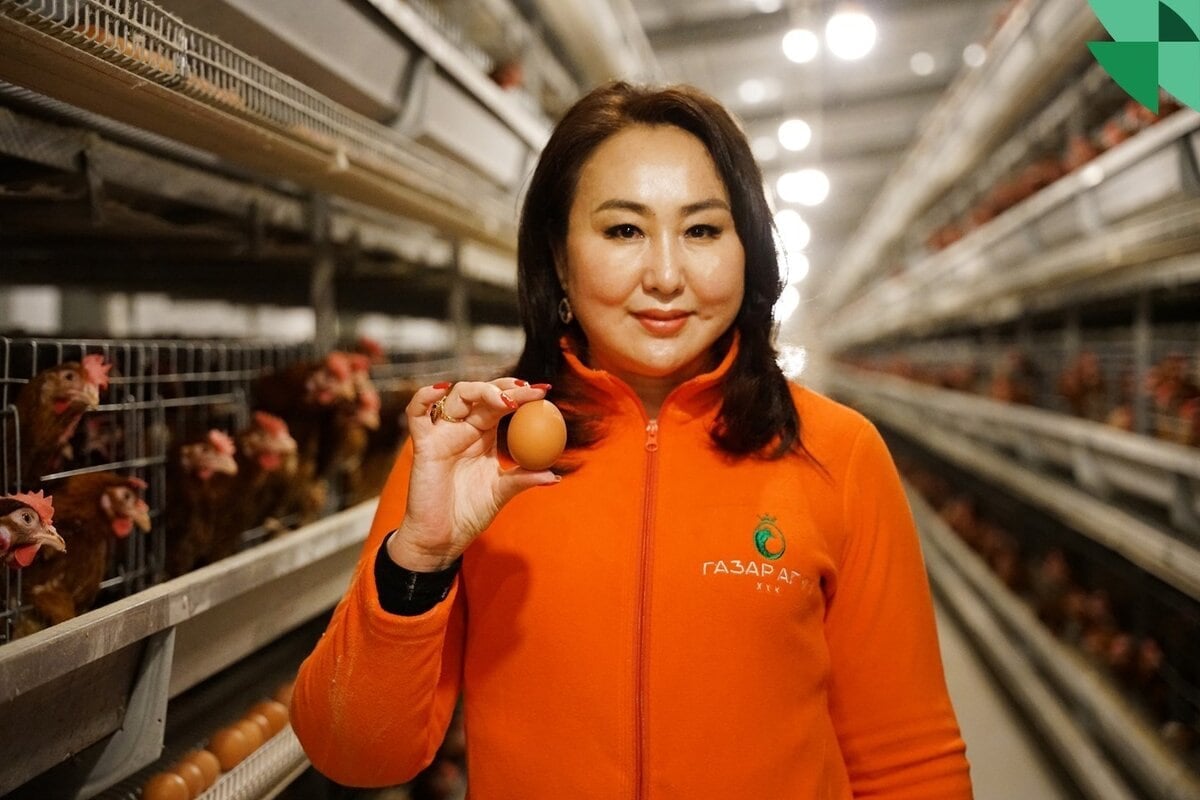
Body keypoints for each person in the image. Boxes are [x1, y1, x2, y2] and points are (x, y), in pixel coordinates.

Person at [291, 81, 973, 799]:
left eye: (703, 231)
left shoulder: (838, 451)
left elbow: (909, 762)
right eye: (624, 231)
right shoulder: (473, 451)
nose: (667, 276)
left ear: (750, 251)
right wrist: (419, 561)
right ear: (558, 256)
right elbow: (355, 754)